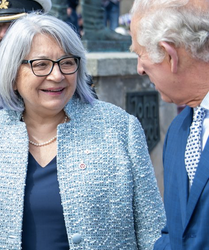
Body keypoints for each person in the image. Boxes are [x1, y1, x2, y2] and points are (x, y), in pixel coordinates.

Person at [0, 13, 165, 249]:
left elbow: (153, 231)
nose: (56, 76)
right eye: (41, 65)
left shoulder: (119, 128)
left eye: (67, 62)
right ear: (13, 74)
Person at [130, 0, 209, 249]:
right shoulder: (179, 129)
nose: (139, 68)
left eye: (139, 54)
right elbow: (177, 234)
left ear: (169, 54)